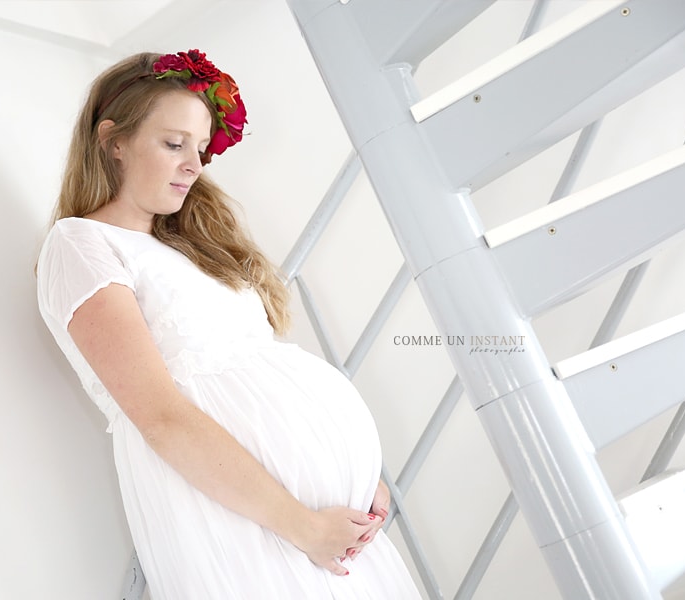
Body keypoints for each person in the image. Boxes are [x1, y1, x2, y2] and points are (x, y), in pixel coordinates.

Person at [36, 50, 422, 599]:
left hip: (324, 524)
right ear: (112, 141)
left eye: (199, 149)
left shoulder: (186, 247)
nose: (194, 164)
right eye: (174, 144)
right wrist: (303, 525)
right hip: (251, 517)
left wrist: (357, 474)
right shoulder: (80, 244)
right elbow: (162, 418)